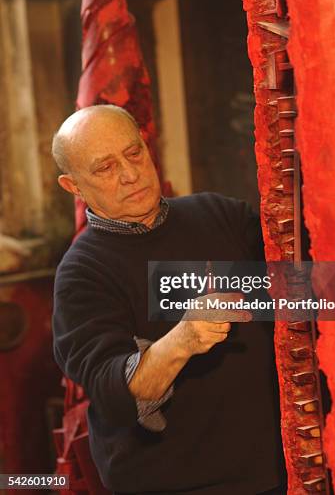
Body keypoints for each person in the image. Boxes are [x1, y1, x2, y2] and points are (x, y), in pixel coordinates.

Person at [52, 104, 286, 495]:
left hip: (278, 471)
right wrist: (184, 339)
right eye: (105, 168)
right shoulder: (82, 272)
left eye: (134, 153)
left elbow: (316, 287)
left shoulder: (219, 215)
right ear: (73, 186)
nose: (130, 175)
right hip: (176, 484)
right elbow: (117, 393)